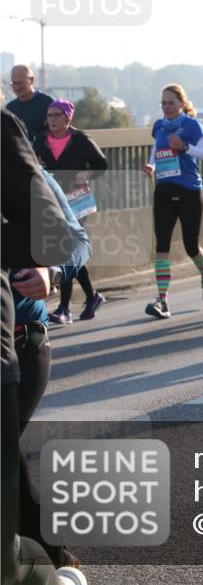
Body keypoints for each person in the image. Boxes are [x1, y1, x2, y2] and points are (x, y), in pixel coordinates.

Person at [2, 108, 81, 585]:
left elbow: (71, 237)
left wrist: (51, 271)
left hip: (21, 342)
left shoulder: (18, 158)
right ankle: (56, 563)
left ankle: (51, 567)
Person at [143, 84, 203, 319]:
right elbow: (157, 149)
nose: (166, 107)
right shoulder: (159, 126)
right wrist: (151, 165)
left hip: (189, 190)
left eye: (171, 103)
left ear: (182, 104)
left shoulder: (192, 125)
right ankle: (162, 300)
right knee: (162, 245)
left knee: (190, 246)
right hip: (164, 190)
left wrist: (185, 147)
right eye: (163, 103)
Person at [32, 99, 109, 323]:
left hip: (77, 201)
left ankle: (64, 308)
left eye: (57, 115)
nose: (52, 119)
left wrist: (87, 175)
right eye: (49, 116)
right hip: (54, 200)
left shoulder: (81, 140)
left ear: (68, 118)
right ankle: (92, 296)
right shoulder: (40, 141)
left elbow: (101, 164)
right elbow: (31, 163)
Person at [5, 65, 53, 141]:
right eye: (14, 83)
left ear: (32, 80)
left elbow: (57, 132)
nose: (17, 87)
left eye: (21, 83)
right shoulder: (10, 108)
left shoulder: (47, 103)